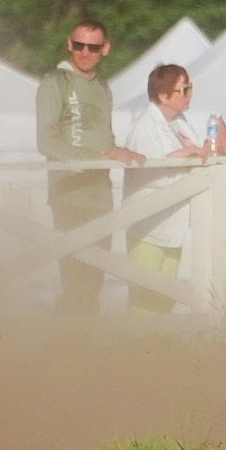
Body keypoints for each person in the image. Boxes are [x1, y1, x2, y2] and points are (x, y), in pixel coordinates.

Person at [35, 19, 139, 314]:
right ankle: (70, 334)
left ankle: (84, 335)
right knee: (75, 276)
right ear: (69, 44)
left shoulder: (103, 86)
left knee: (94, 279)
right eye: (79, 45)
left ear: (105, 49)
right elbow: (47, 141)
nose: (84, 52)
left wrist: (121, 152)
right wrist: (97, 157)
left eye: (93, 47)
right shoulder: (56, 82)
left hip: (100, 193)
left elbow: (106, 138)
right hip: (68, 193)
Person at [119, 64, 218, 313]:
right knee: (144, 299)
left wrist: (200, 151)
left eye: (190, 88)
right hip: (148, 228)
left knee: (166, 300)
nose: (190, 94)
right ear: (163, 96)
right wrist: (187, 154)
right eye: (184, 89)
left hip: (173, 227)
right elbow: (147, 172)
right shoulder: (143, 127)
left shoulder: (180, 123)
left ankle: (163, 338)